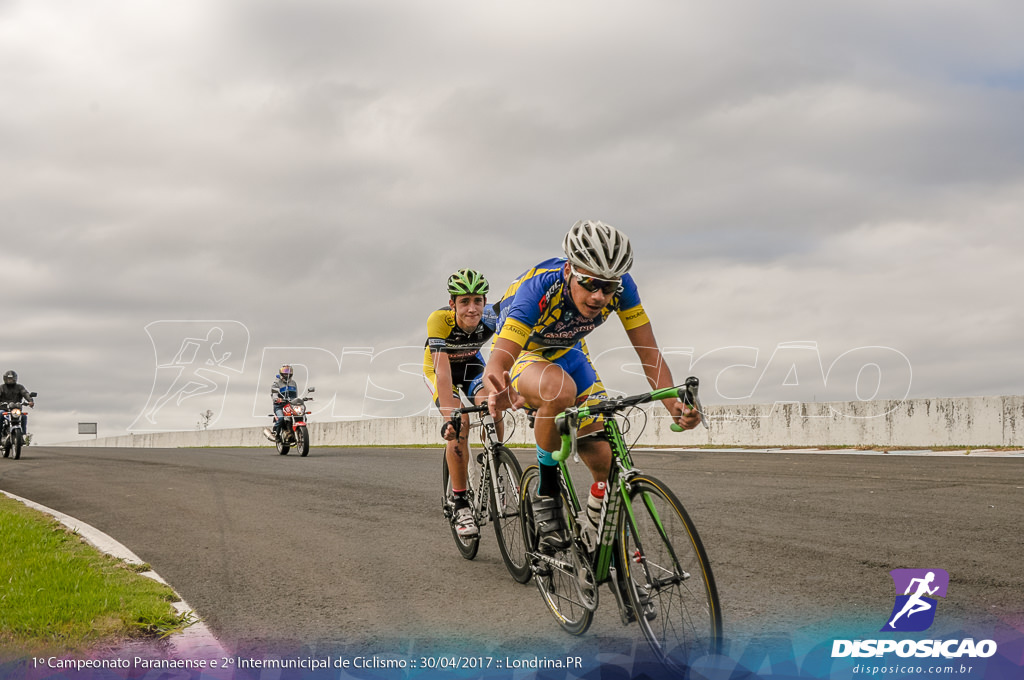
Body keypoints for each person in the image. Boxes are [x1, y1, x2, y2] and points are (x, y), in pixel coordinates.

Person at [483, 220, 701, 551]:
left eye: (608, 287)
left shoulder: (624, 288)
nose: (600, 296)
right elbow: (501, 358)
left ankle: (595, 537)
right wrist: (496, 379)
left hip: (570, 352)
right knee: (559, 391)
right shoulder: (539, 288)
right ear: (570, 269)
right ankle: (547, 492)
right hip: (525, 353)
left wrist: (674, 404)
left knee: (606, 462)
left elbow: (650, 354)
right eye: (590, 283)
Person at [423, 268, 497, 538]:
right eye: (464, 301)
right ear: (452, 303)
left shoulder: (492, 319)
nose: (472, 308)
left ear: (485, 303)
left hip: (471, 367)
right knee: (461, 422)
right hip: (440, 370)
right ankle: (461, 502)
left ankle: (495, 461)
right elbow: (442, 373)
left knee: (492, 403)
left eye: (477, 301)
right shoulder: (439, 320)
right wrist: (448, 418)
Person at [264, 364, 298, 441]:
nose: (287, 373)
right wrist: (277, 399)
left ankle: (295, 432)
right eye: (285, 371)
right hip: (279, 405)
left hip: (290, 405)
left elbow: (295, 395)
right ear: (281, 373)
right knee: (281, 418)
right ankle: (275, 433)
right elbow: (274, 394)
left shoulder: (293, 383)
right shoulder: (276, 383)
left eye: (289, 371)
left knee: (300, 414)